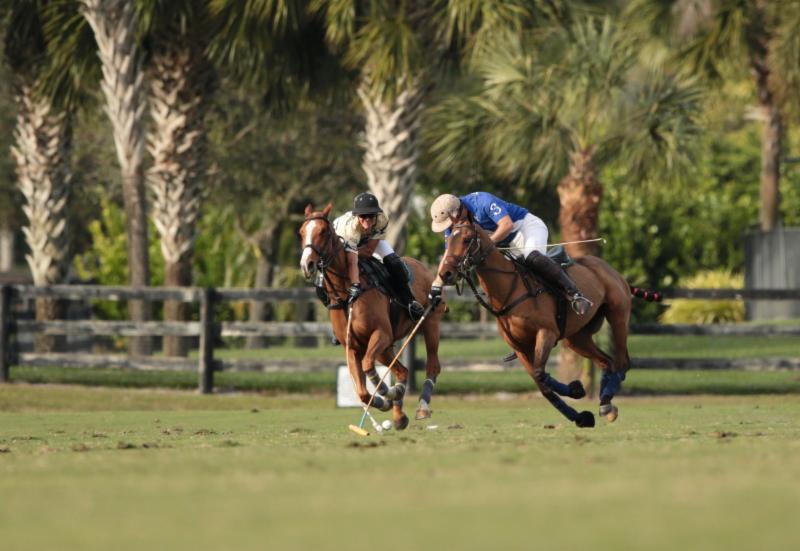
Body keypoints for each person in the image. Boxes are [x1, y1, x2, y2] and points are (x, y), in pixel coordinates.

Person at [427, 192, 592, 315]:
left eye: (448, 222)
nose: (448, 227)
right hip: (505, 243)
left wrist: (488, 244)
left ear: (455, 213)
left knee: (532, 258)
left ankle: (575, 294)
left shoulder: (481, 202)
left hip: (525, 228)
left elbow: (507, 225)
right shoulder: (453, 226)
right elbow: (449, 255)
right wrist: (436, 285)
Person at [333, 192, 424, 319]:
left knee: (394, 262)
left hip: (366, 240)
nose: (367, 220)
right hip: (343, 243)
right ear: (357, 216)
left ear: (377, 215)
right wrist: (355, 284)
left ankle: (410, 301)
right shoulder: (350, 228)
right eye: (363, 216)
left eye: (371, 216)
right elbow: (352, 261)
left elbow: (368, 251)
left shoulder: (382, 219)